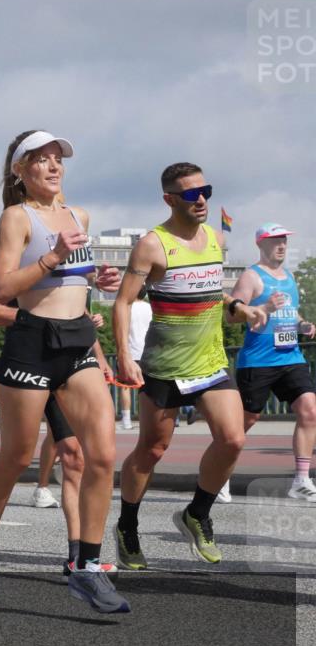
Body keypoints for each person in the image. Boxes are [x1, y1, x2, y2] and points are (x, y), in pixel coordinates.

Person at [0, 130, 125, 613]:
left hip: (77, 342)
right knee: (16, 455)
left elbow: (76, 278)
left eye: (58, 159)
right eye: (42, 160)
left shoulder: (80, 216)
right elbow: (4, 287)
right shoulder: (16, 217)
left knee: (102, 455)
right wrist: (53, 256)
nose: (53, 166)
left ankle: (87, 567)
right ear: (20, 170)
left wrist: (101, 278)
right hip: (31, 343)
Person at [113, 162, 267, 569]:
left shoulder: (216, 238)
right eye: (189, 194)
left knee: (233, 439)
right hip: (164, 367)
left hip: (211, 363)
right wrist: (125, 357)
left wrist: (240, 307)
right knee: (152, 449)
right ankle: (128, 526)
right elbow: (124, 302)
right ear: (169, 199)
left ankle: (196, 513)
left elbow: (212, 292)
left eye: (206, 191)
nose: (200, 200)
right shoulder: (153, 244)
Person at [0, 255, 118, 579]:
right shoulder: (18, 256)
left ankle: (77, 558)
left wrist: (99, 357)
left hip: (72, 362)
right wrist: (33, 322)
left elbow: (74, 315)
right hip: (31, 361)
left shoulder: (75, 255)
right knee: (16, 456)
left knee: (75, 456)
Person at [231, 222, 316, 502]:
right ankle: (218, 476)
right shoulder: (251, 277)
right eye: (274, 241)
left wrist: (303, 325)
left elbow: (290, 314)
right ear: (260, 244)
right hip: (258, 361)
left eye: (284, 241)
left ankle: (301, 480)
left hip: (290, 356)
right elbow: (232, 315)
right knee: (246, 421)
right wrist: (263, 308)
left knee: (309, 410)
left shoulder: (289, 277)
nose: (281, 246)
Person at [119, 286, 152, 430]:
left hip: (129, 352)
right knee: (146, 388)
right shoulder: (150, 308)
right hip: (147, 352)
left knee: (125, 387)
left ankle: (126, 420)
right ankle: (146, 420)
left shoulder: (126, 307)